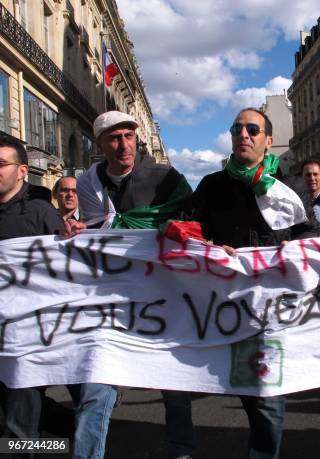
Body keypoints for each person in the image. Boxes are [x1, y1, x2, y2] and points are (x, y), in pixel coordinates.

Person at [67, 110, 195, 459]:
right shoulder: (87, 183)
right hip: (110, 300)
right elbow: (92, 229)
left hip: (162, 297)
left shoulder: (165, 176)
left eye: (128, 136)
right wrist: (77, 230)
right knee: (95, 386)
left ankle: (181, 452)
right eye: (114, 138)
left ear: (137, 138)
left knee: (174, 386)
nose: (123, 145)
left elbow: (195, 220)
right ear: (100, 144)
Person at [192, 107, 318, 459]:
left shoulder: (288, 187)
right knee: (248, 389)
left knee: (267, 394)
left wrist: (297, 244)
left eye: (252, 129)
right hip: (228, 304)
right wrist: (213, 249)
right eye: (236, 129)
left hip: (275, 308)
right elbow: (190, 232)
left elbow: (309, 231)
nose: (243, 134)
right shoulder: (212, 186)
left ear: (268, 141)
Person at [0, 135, 66, 448]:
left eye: (1, 164)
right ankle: (71, 428)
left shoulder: (41, 214)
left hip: (28, 337)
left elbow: (67, 272)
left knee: (19, 422)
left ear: (23, 171)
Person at [302, 159, 320, 229]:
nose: (312, 178)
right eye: (308, 175)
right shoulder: (296, 203)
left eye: (315, 174)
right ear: (301, 178)